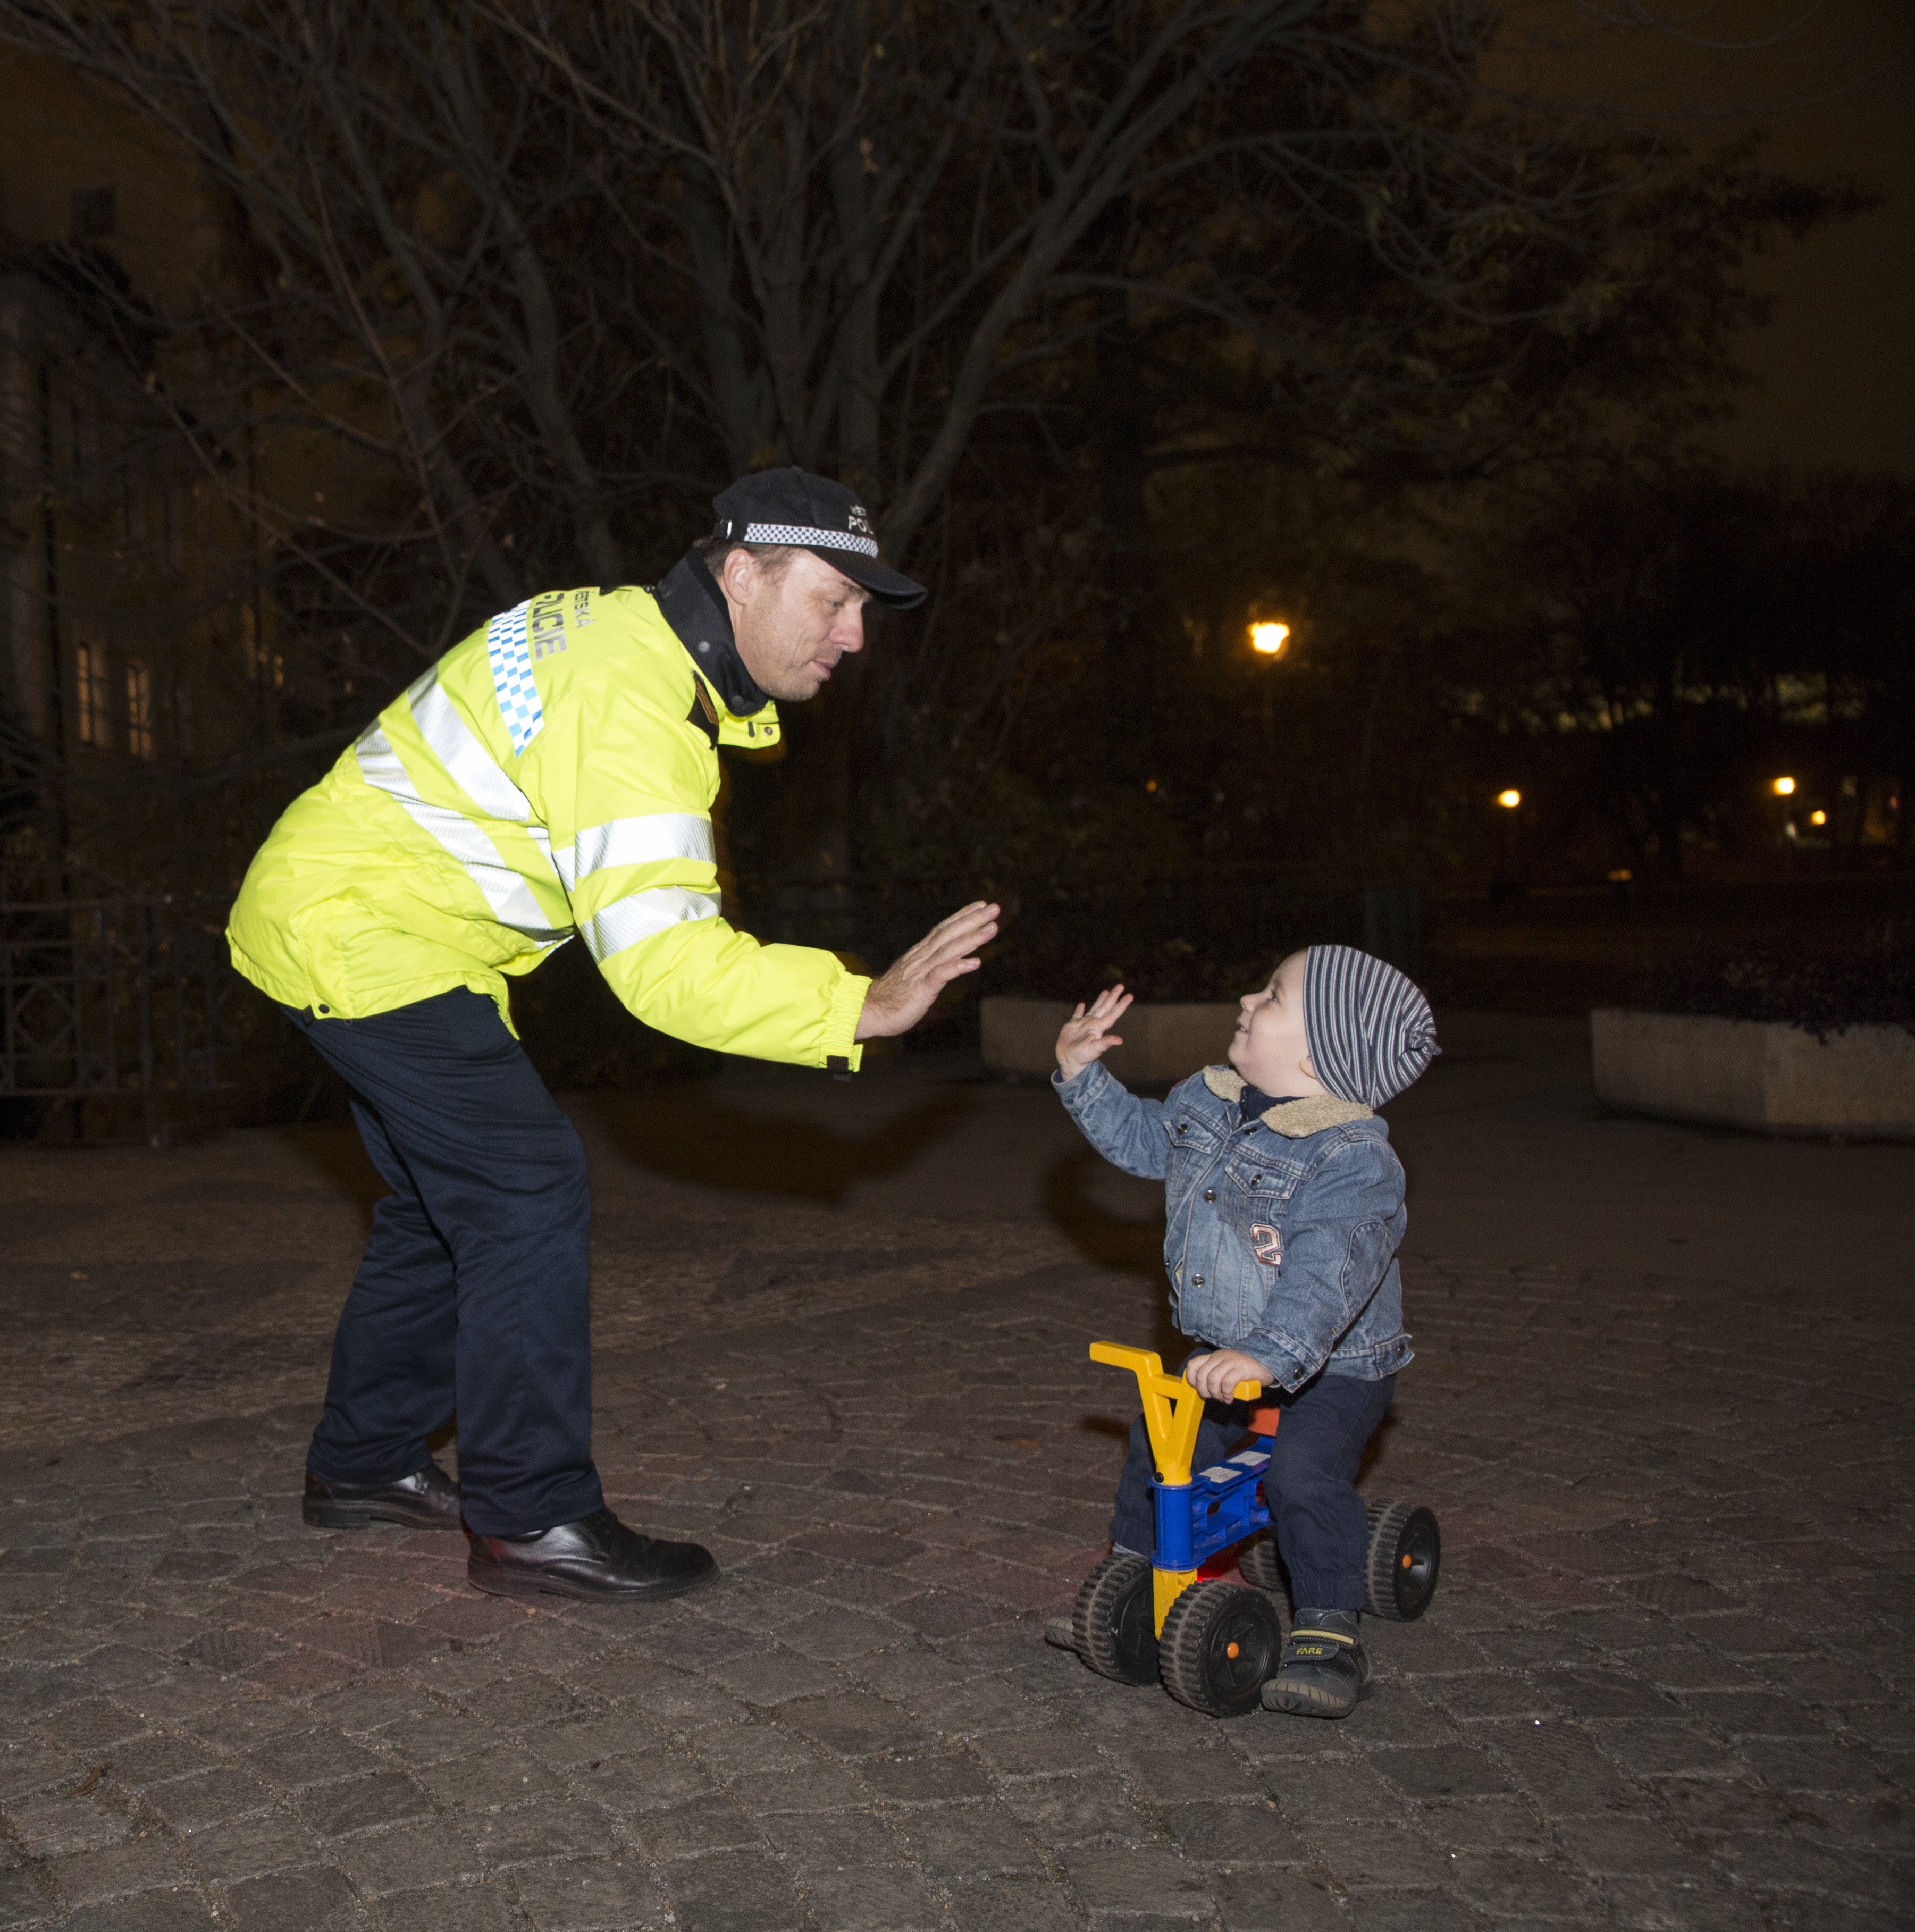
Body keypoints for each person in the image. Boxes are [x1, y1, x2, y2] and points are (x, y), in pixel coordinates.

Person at [228, 468, 1001, 1603]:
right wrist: (858, 1004)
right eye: (831, 601)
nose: (852, 637)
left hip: (352, 913)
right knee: (524, 1185)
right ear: (740, 575)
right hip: (364, 930)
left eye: (859, 612)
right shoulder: (632, 701)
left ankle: (361, 1461)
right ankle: (530, 1513)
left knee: (445, 1204)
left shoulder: (608, 630)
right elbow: (662, 966)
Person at [1045, 945, 1438, 1716]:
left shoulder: (1353, 1161)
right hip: (1230, 1350)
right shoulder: (1212, 1100)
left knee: (1301, 1473)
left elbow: (1328, 1275)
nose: (1249, 997)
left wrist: (1269, 1352)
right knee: (1162, 1448)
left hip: (1336, 1361)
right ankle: (1132, 1579)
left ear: (1323, 1052)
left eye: (1275, 994)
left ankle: (1329, 1625)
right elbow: (1144, 1141)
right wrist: (1082, 1077)